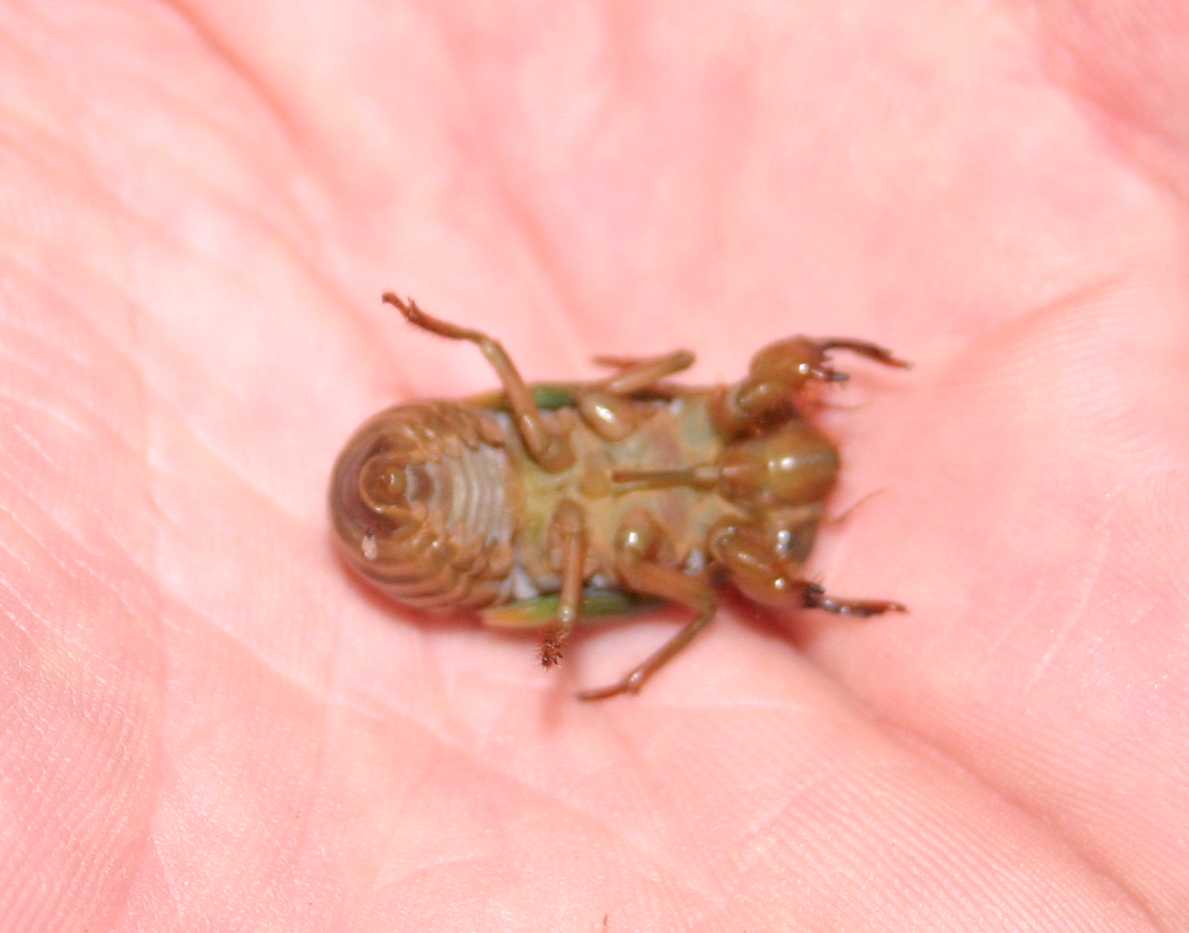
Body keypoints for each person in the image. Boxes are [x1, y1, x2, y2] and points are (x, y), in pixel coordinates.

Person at [2, 3, 1184, 929]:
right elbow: (590, 397)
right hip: (484, 478)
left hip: (507, 511)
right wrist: (589, 596)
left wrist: (582, 609)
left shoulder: (695, 499)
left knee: (612, 563)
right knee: (595, 540)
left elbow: (634, 527)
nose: (760, 461)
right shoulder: (693, 435)